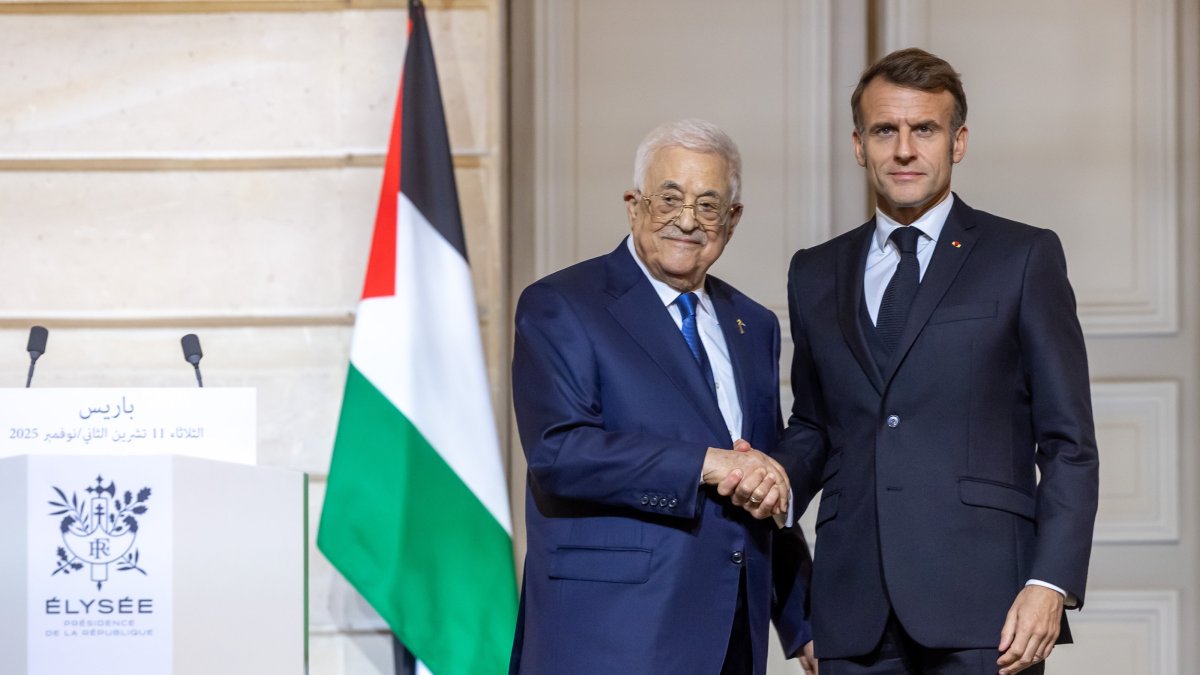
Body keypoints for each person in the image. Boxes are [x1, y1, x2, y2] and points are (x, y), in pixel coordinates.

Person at [780, 48, 1099, 674]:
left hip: (987, 613)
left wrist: (1051, 584)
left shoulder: (1024, 257)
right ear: (858, 144)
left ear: (958, 142)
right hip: (851, 614)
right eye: (884, 130)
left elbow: (1069, 444)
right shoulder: (813, 271)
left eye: (924, 129)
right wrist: (772, 476)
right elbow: (817, 426)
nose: (903, 149)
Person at [510, 118, 813, 675]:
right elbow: (560, 453)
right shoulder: (563, 304)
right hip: (608, 637)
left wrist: (802, 624)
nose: (686, 221)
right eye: (668, 199)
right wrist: (703, 463)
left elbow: (759, 480)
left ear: (733, 220)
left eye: (708, 205)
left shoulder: (755, 325)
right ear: (633, 205)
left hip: (730, 639)